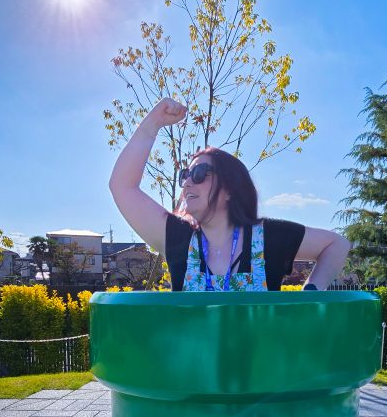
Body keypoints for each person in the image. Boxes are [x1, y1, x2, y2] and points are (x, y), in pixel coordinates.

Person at [109, 98, 351, 291]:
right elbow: (122, 186)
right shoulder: (177, 238)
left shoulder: (269, 237)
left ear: (230, 189)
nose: (187, 183)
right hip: (196, 356)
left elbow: (337, 244)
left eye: (200, 173)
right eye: (185, 175)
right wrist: (152, 125)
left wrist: (310, 295)